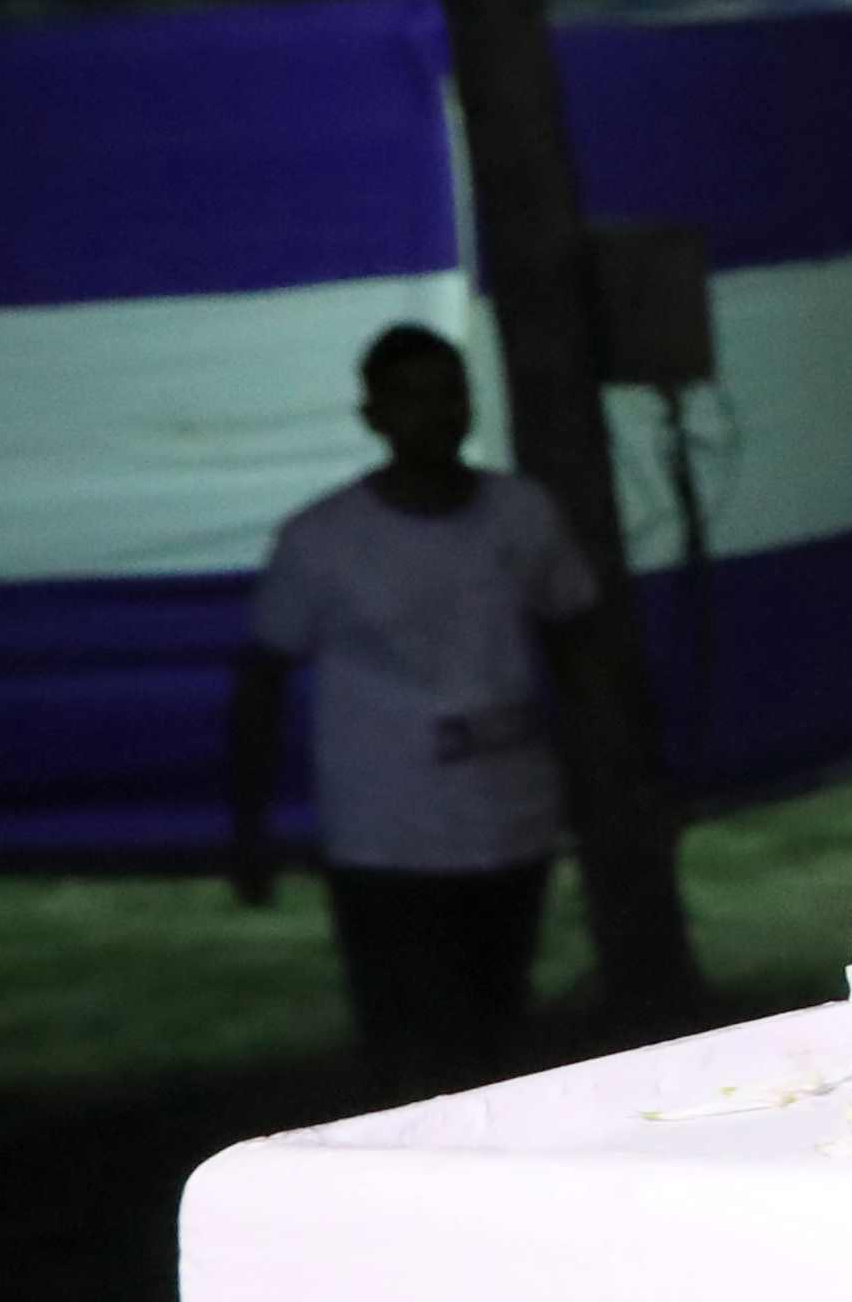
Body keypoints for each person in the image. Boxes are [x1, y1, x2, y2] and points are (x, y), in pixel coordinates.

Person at [232, 321, 610, 1094]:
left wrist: (600, 772)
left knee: (498, 1024)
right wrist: (250, 827)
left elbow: (577, 644)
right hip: (386, 839)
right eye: (410, 398)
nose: (434, 414)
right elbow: (262, 681)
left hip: (511, 821)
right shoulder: (321, 541)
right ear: (373, 416)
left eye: (449, 394)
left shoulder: (522, 515)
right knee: (411, 1040)